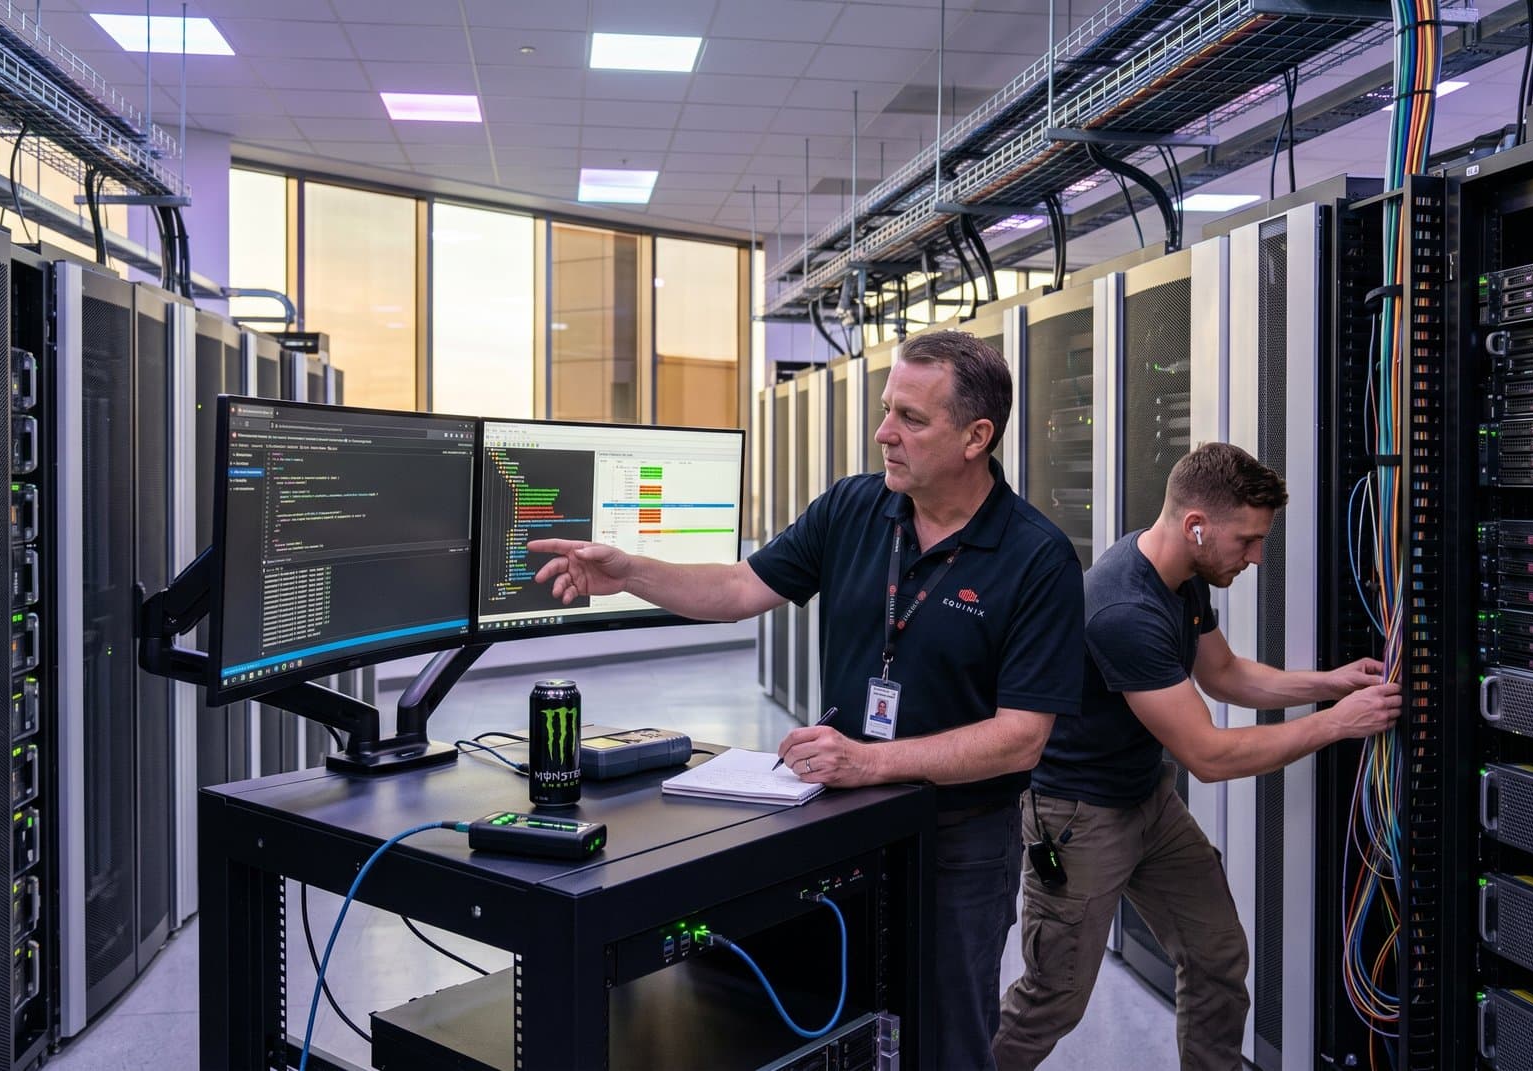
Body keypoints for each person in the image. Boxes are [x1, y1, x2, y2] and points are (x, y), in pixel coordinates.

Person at [530, 330, 1085, 1069]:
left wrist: (869, 760)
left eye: (912, 419)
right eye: (888, 409)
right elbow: (737, 588)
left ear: (976, 436)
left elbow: (1020, 737)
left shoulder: (1037, 557)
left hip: (960, 839)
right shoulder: (856, 508)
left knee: (949, 1031)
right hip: (843, 819)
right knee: (830, 1015)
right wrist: (630, 571)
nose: (884, 432)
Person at [993, 442, 1401, 1071]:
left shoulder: (1177, 577)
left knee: (1216, 956)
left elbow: (1227, 675)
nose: (1257, 556)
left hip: (1146, 801)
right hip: (1079, 819)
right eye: (1247, 540)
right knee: (1053, 998)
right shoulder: (1124, 609)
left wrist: (1332, 684)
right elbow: (1208, 754)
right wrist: (1337, 726)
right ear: (1196, 525)